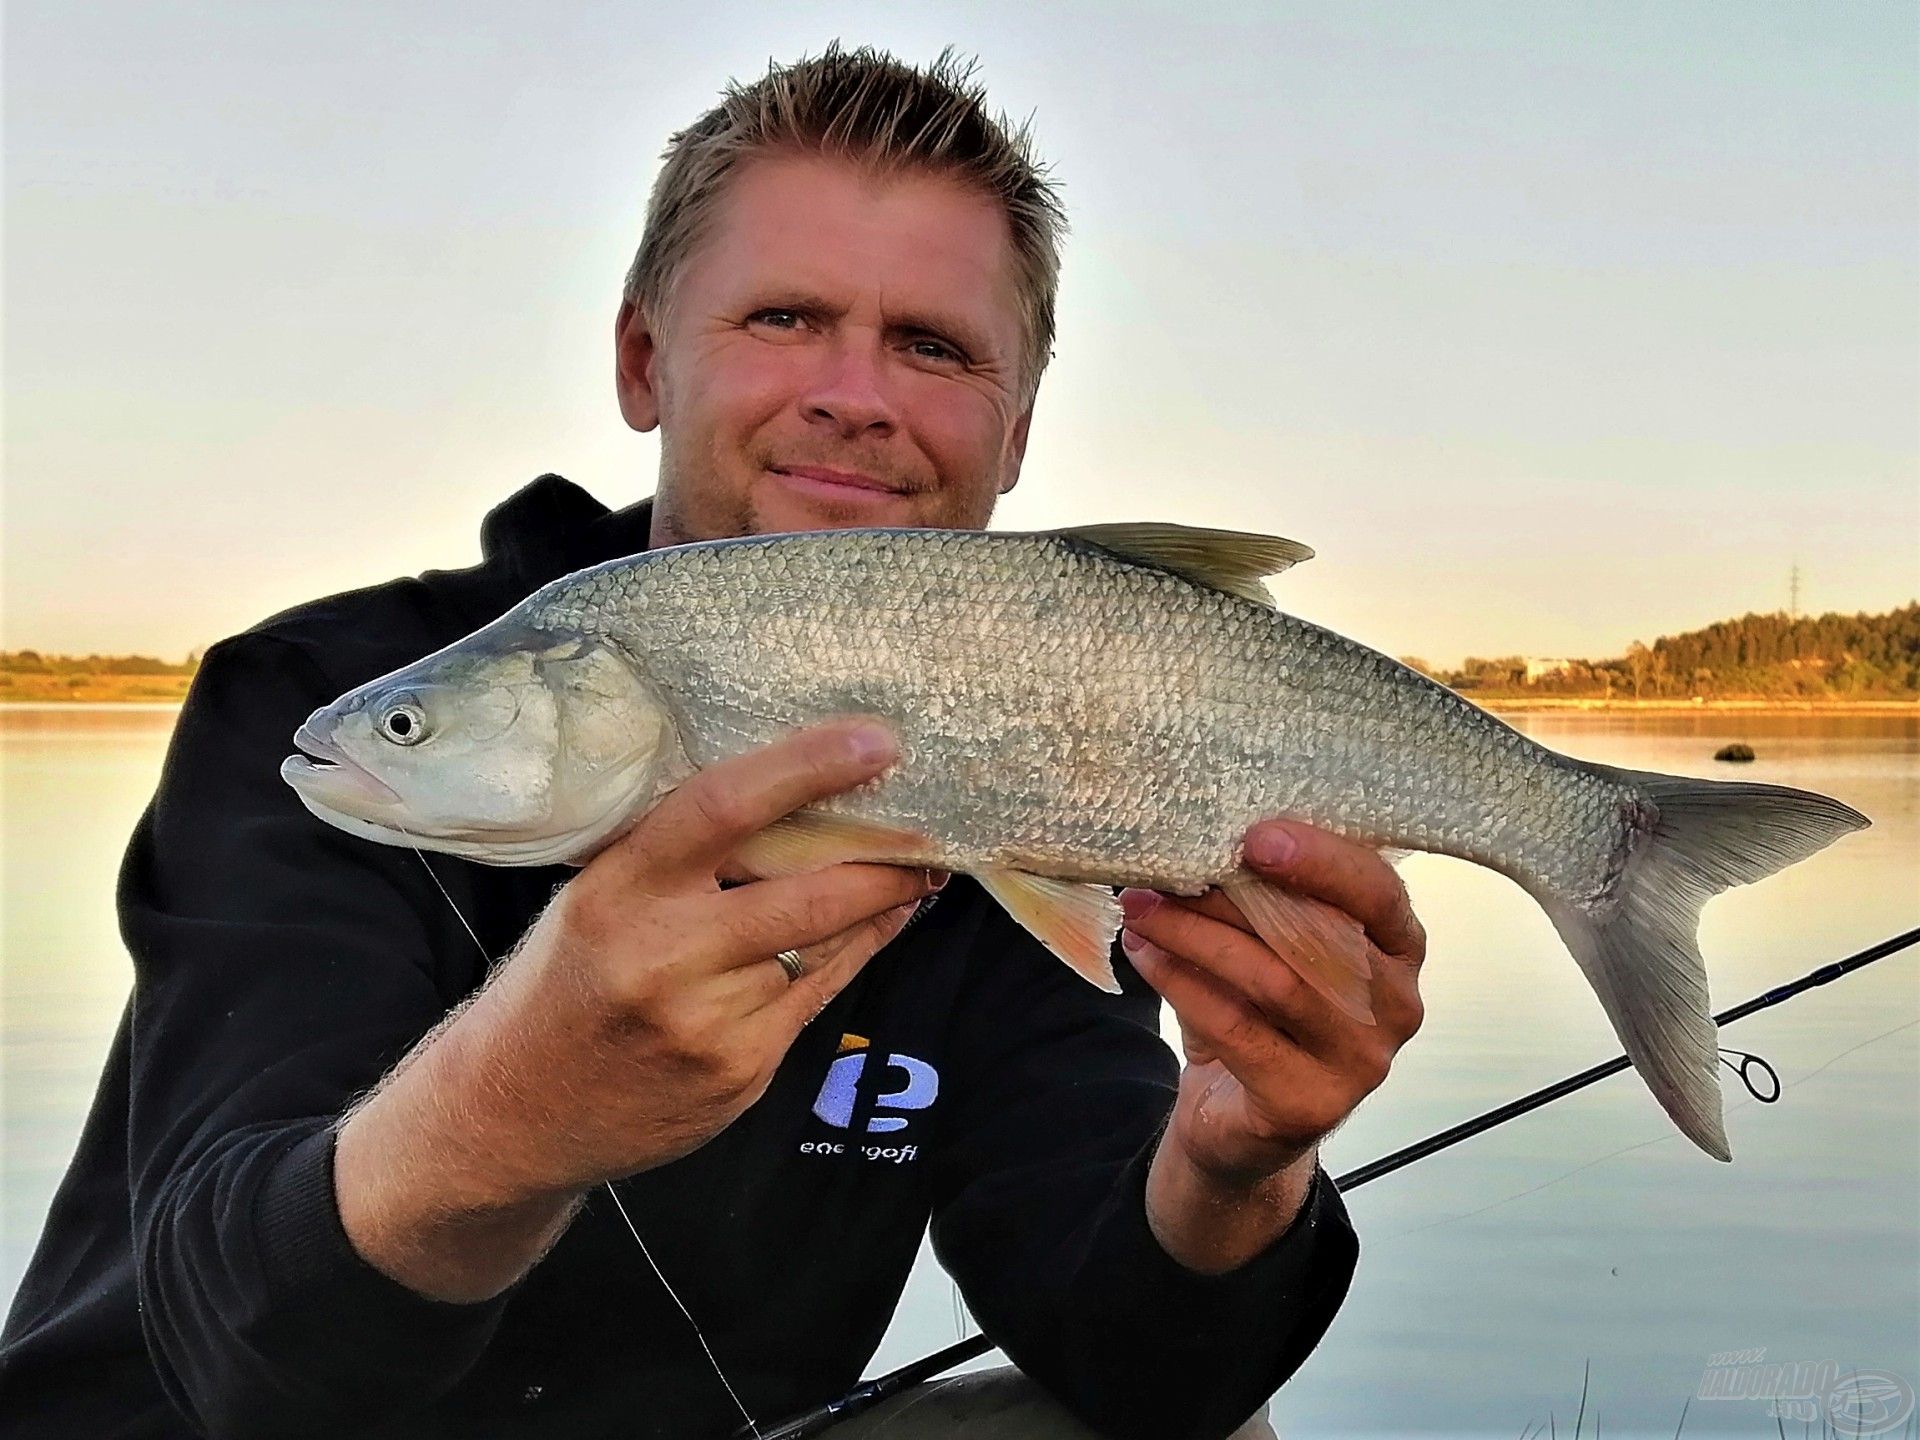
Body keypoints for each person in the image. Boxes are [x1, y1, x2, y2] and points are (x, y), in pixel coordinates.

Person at [0, 45, 1426, 1440]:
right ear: (643, 362)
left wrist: (1239, 1160)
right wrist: (519, 1107)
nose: (856, 395)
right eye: (785, 318)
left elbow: (1140, 1368)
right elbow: (240, 1360)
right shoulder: (327, 708)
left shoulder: (1029, 777)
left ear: (1017, 431)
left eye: (932, 346)